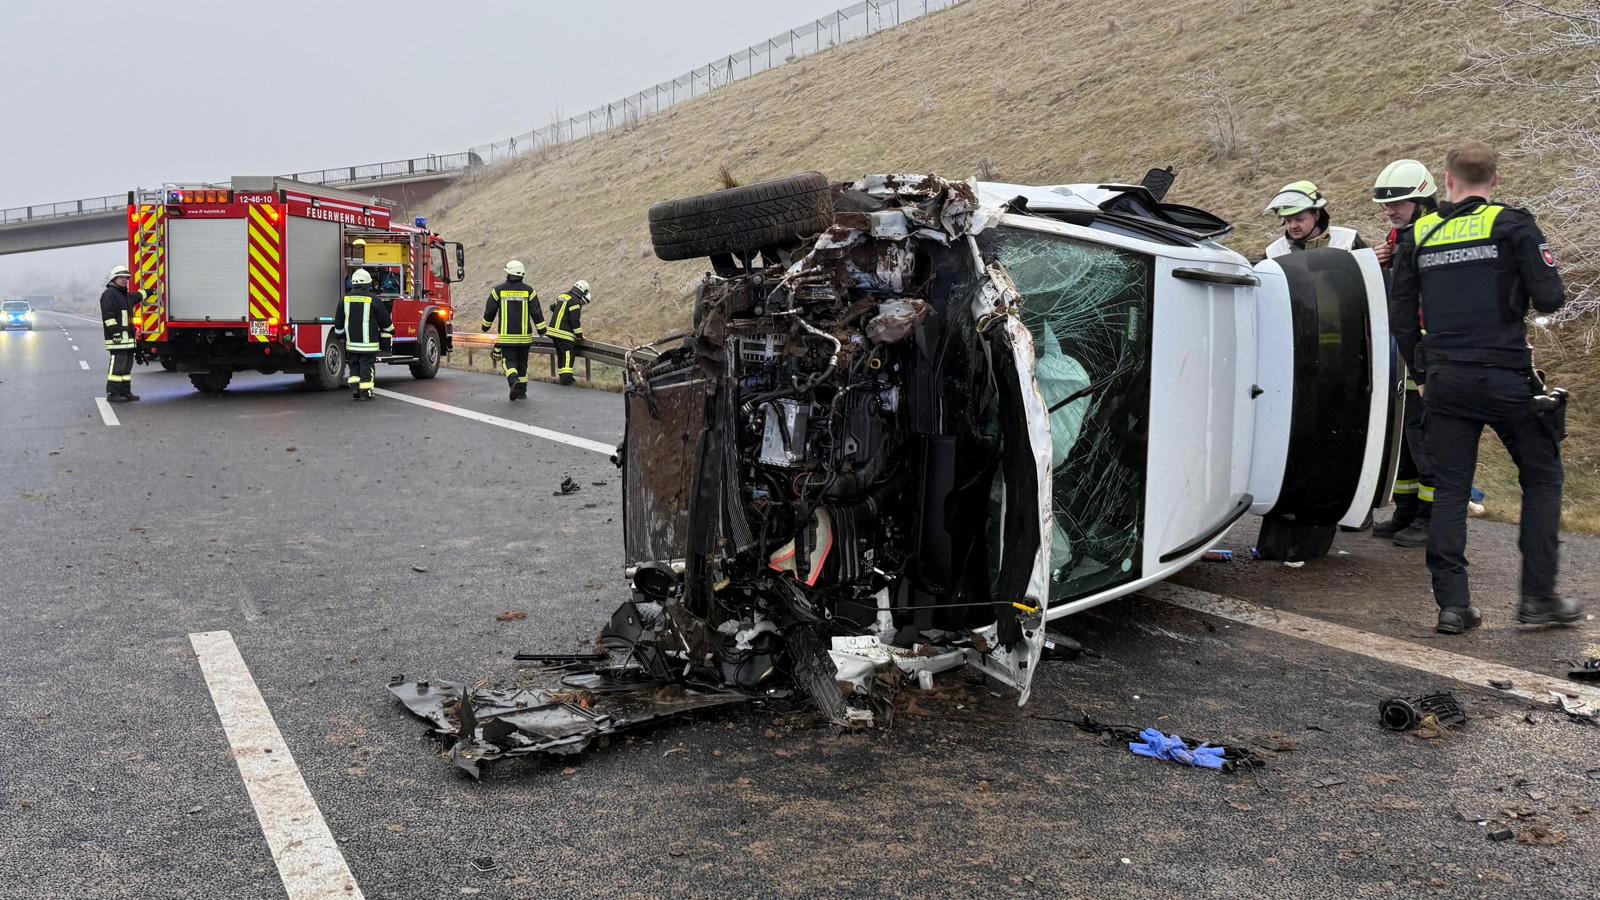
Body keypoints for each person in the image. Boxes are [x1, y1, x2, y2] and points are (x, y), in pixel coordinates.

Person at [1390, 141, 1579, 633]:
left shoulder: (1419, 234)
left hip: (1446, 380)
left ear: (1448, 181)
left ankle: (1453, 605)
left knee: (1450, 488)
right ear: (1494, 180)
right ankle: (1538, 598)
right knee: (1542, 476)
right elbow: (1551, 298)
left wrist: (1423, 375)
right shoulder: (1512, 224)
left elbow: (1401, 315)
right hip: (1506, 374)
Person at [1370, 160, 1440, 547]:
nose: (1390, 211)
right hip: (1403, 356)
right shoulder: (1399, 239)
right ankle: (1407, 511)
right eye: (1387, 205)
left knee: (1427, 439)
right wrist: (1382, 263)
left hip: (1428, 356)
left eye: (1398, 204)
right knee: (1404, 440)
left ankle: (1431, 518)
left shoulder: (1434, 238)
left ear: (1422, 202)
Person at [481, 260, 545, 401]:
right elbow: (536, 312)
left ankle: (513, 380)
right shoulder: (529, 291)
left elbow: (490, 310)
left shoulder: (498, 290)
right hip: (525, 337)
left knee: (508, 361)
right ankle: (521, 392)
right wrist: (541, 330)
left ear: (509, 274)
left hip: (507, 337)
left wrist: (485, 326)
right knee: (522, 363)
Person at [1264, 180, 1367, 258]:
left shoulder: (1348, 241)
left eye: (1300, 219)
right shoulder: (1273, 253)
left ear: (1317, 215)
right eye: (1288, 220)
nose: (1293, 226)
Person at [334, 268, 392, 400]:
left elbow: (339, 320)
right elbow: (384, 320)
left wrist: (340, 336)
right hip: (368, 344)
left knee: (354, 365)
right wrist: (390, 330)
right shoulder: (373, 299)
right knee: (366, 366)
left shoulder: (345, 299)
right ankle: (366, 392)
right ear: (368, 284)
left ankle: (355, 388)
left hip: (351, 343)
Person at [100, 265, 143, 403]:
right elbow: (108, 316)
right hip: (117, 340)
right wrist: (116, 333)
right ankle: (113, 393)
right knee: (117, 368)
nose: (125, 280)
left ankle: (125, 392)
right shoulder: (109, 294)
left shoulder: (125, 295)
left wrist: (149, 291)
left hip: (128, 341)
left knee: (126, 369)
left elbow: (136, 297)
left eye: (126, 278)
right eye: (121, 277)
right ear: (114, 279)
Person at [547, 280, 590, 386]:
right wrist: (580, 335)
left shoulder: (563, 296)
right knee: (568, 355)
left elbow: (553, 307)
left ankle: (563, 376)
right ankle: (567, 379)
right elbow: (574, 321)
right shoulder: (575, 301)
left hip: (553, 331)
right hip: (563, 333)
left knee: (561, 355)